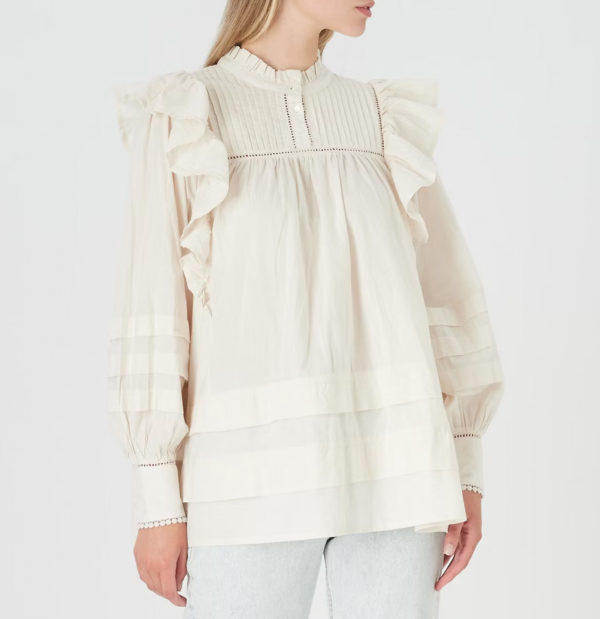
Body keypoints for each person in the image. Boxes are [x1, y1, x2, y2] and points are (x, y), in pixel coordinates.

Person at [107, 1, 504, 617]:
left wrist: (465, 463)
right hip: (244, 483)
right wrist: (157, 498)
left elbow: (442, 292)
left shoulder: (382, 118)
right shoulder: (186, 115)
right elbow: (154, 301)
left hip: (397, 472)